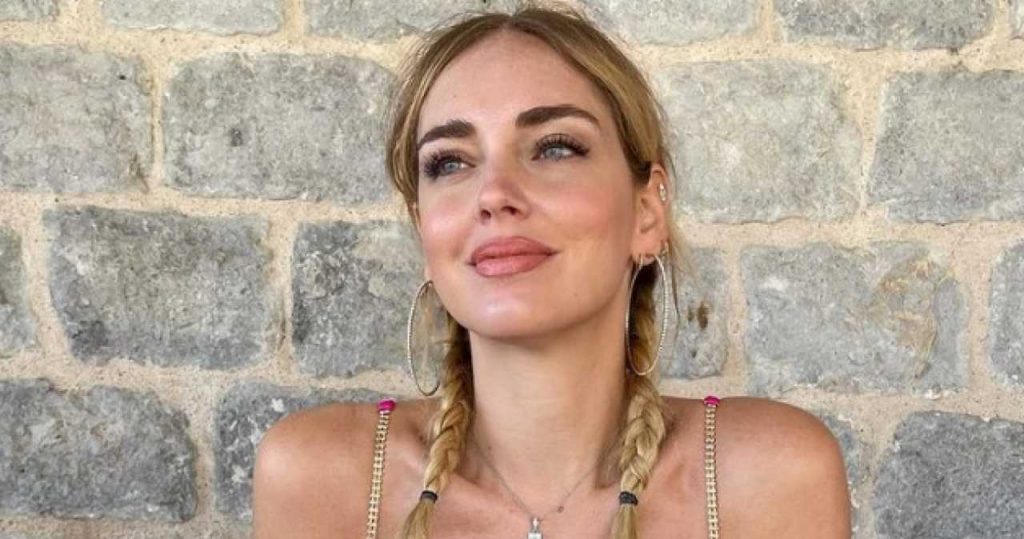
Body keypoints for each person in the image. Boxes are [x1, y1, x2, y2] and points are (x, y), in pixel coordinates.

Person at [252, 3, 852, 538]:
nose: (495, 193)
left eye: (555, 147)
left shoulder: (768, 478)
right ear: (423, 228)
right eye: (450, 162)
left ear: (647, 212)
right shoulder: (322, 479)